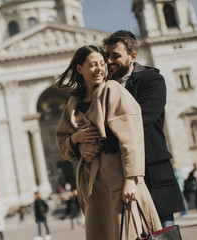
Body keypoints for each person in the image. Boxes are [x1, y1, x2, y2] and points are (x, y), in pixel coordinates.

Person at [55, 45, 161, 240]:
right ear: (80, 69)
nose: (99, 69)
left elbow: (132, 136)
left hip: (118, 177)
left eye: (102, 64)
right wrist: (76, 141)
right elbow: (62, 145)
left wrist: (131, 179)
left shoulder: (112, 89)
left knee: (129, 232)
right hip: (92, 184)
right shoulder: (73, 103)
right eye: (93, 65)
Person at [100, 30, 185, 228]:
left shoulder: (152, 80)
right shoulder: (104, 86)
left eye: (115, 56)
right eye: (107, 56)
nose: (109, 61)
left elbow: (141, 118)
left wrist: (103, 140)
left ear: (133, 56)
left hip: (151, 166)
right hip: (117, 169)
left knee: (163, 227)